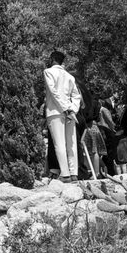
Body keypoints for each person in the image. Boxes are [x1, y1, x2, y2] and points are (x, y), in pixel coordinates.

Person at [44, 50, 82, 183]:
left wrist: (65, 108)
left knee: (59, 143)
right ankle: (74, 173)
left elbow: (53, 92)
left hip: (55, 111)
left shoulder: (48, 72)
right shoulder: (70, 76)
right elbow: (77, 96)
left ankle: (65, 174)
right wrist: (72, 109)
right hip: (70, 112)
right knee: (71, 143)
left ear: (52, 59)